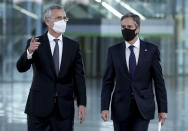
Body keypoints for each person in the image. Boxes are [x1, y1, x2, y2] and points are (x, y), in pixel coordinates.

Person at [16, 5, 86, 131]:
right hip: (38, 108)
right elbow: (21, 68)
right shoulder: (35, 43)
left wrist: (82, 103)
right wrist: (29, 52)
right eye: (59, 18)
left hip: (64, 110)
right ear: (47, 21)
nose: (63, 21)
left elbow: (79, 77)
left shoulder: (73, 46)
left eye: (65, 18)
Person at [101, 13, 167, 131]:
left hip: (143, 107)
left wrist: (163, 109)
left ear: (138, 28)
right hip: (120, 107)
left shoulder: (151, 50)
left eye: (129, 27)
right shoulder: (113, 51)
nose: (126, 30)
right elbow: (108, 81)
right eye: (123, 27)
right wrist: (104, 107)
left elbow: (159, 82)